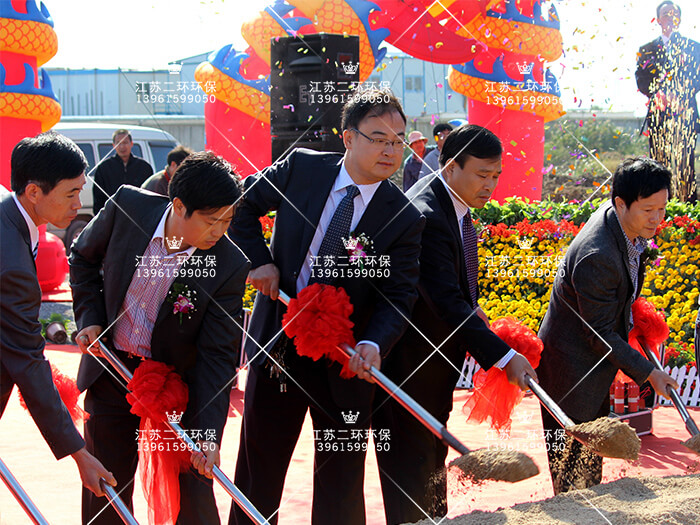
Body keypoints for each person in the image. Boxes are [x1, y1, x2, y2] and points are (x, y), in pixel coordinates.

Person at [228, 88, 425, 525]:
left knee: (341, 480)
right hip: (279, 345)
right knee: (259, 470)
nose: (390, 150)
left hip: (345, 362)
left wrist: (374, 342)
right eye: (378, 137)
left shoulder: (405, 217)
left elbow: (398, 294)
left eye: (398, 140)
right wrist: (259, 260)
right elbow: (241, 207)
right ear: (347, 137)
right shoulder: (302, 168)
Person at [71, 151, 250, 524]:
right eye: (211, 220)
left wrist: (206, 434)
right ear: (179, 205)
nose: (219, 231)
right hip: (111, 369)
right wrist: (90, 317)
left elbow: (218, 356)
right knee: (105, 489)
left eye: (227, 221)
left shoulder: (229, 264)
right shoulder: (127, 207)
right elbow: (83, 259)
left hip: (174, 387)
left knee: (194, 494)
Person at [373, 124, 538, 525]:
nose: (490, 185)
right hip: (405, 366)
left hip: (433, 363)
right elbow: (444, 301)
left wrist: (472, 309)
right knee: (411, 467)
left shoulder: (456, 209)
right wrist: (503, 358)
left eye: (496, 175)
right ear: (450, 168)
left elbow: (450, 294)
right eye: (482, 174)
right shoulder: (426, 214)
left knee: (430, 456)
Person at [536, 156, 679, 494]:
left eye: (662, 209)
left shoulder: (623, 224)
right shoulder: (597, 254)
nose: (657, 219)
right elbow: (599, 333)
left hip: (592, 366)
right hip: (571, 373)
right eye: (649, 210)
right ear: (620, 203)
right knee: (574, 476)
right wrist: (648, 373)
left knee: (590, 465)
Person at [0, 132, 116, 498]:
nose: (78, 204)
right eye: (70, 194)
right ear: (33, 191)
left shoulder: (10, 214)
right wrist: (80, 454)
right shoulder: (12, 263)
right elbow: (28, 360)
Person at [635, 1, 700, 203]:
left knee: (685, 164)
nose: (670, 17)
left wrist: (680, 95)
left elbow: (697, 76)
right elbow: (641, 78)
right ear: (658, 19)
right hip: (659, 113)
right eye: (665, 14)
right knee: (658, 165)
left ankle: (688, 210)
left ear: (679, 19)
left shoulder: (693, 47)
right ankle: (660, 207)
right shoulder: (646, 49)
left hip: (685, 114)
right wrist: (659, 94)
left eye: (674, 14)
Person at [92, 129, 153, 214]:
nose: (122, 147)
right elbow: (98, 199)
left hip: (139, 215)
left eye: (125, 143)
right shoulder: (103, 168)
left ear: (131, 144)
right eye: (118, 143)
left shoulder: (144, 167)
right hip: (112, 216)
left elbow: (150, 196)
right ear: (113, 145)